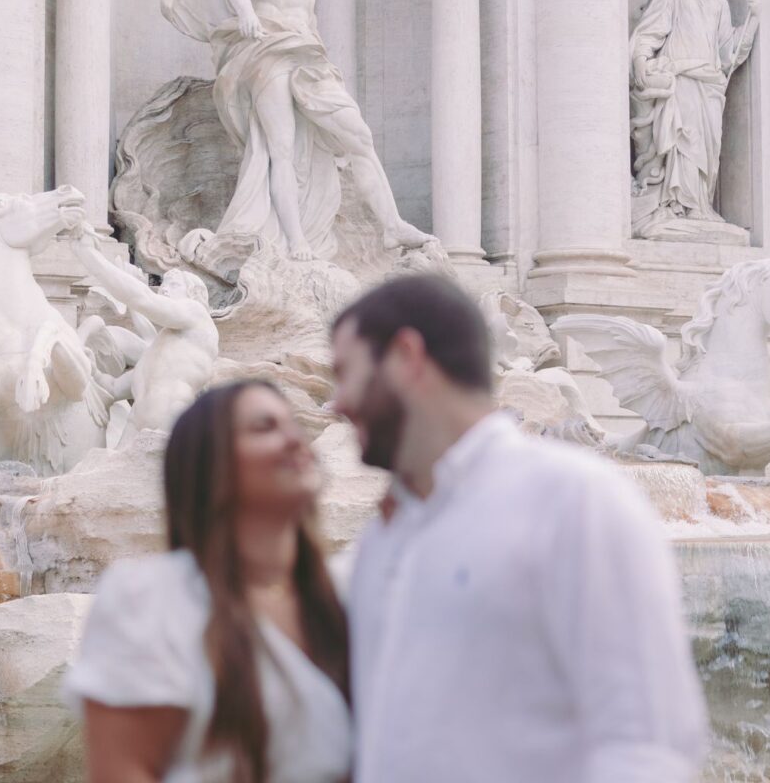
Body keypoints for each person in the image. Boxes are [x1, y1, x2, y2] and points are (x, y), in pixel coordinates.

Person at [331, 273, 708, 783]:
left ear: (406, 357)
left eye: (344, 372)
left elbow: (647, 747)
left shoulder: (574, 499)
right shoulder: (384, 537)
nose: (336, 402)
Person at [65, 381, 351, 783]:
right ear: (210, 463)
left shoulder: (344, 594)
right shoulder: (152, 600)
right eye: (264, 427)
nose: (295, 440)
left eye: (293, 426)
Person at [162, 0, 432, 261]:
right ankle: (295, 241)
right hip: (266, 47)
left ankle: (391, 225)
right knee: (280, 149)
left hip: (307, 52)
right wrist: (247, 14)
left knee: (358, 135)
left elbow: (308, 12)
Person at [629, 0, 761, 236]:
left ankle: (700, 205)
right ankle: (675, 203)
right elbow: (649, 32)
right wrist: (640, 59)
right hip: (680, 78)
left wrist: (753, 19)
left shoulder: (718, 2)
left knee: (706, 147)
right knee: (681, 140)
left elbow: (728, 49)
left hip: (709, 82)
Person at [70, 226, 219, 436]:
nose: (165, 289)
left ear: (194, 294)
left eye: (174, 285)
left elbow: (143, 299)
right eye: (164, 284)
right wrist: (93, 369)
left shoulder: (197, 315)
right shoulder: (159, 351)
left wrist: (90, 256)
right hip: (135, 425)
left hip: (171, 423)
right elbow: (113, 389)